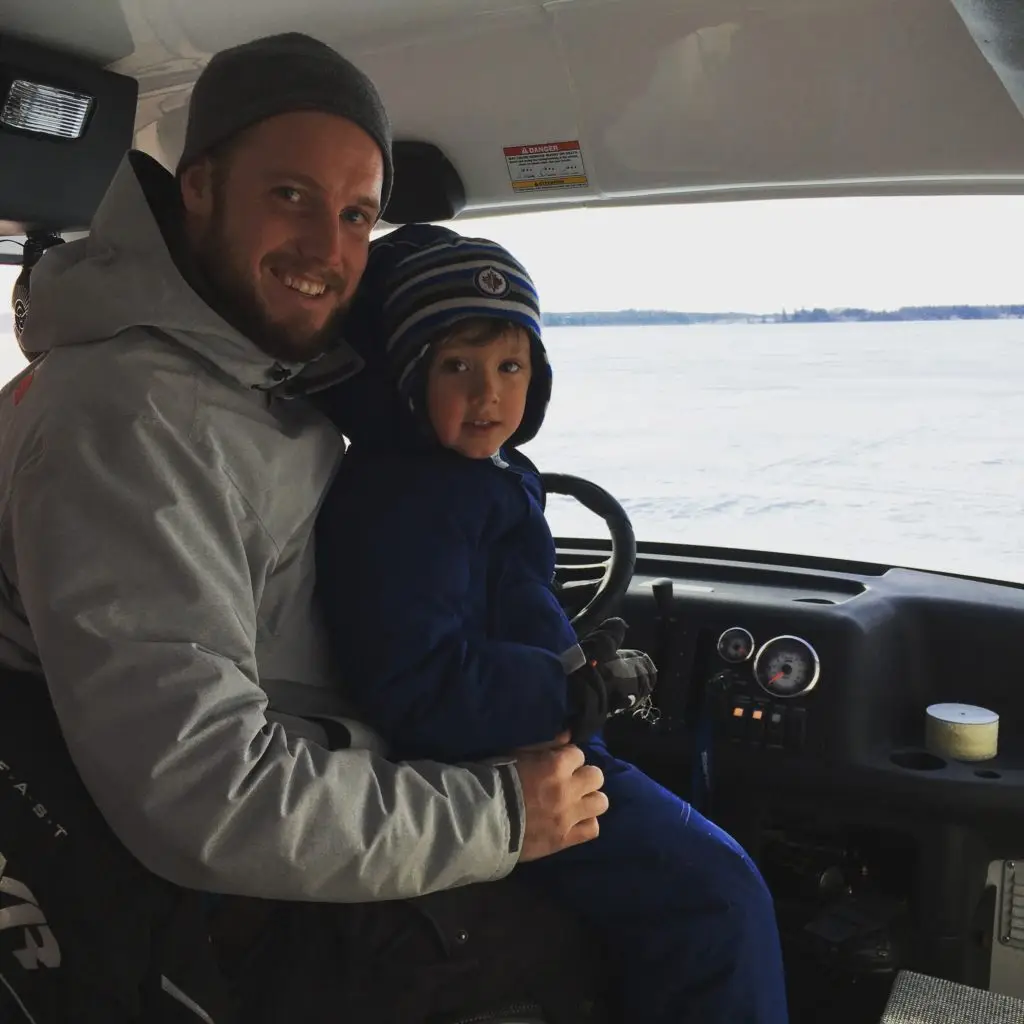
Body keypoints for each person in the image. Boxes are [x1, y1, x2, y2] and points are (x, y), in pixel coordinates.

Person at [0, 32, 609, 1022]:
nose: (329, 252)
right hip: (218, 899)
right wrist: (498, 813)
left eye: (357, 215)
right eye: (289, 196)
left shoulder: (251, 381)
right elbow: (204, 789)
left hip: (307, 812)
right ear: (199, 187)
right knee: (611, 941)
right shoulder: (128, 415)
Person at [316, 223, 791, 1024]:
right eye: (456, 367)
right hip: (486, 766)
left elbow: (492, 604)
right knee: (719, 895)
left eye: (510, 367)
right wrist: (570, 688)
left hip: (527, 730)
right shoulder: (405, 500)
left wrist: (570, 661)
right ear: (406, 376)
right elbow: (415, 680)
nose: (488, 395)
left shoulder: (473, 477)